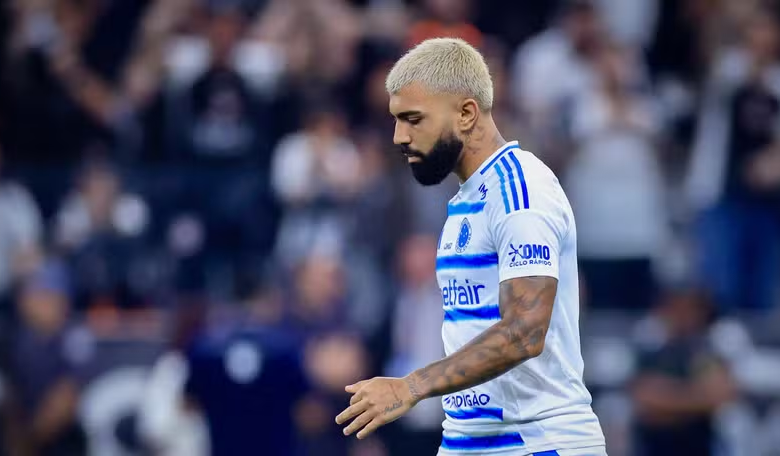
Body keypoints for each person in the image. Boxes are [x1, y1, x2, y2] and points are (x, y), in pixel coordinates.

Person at [335, 38, 606, 455]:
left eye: (413, 119)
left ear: (466, 113)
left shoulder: (520, 191)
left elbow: (525, 333)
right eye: (396, 120)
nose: (399, 136)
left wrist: (412, 386)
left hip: (537, 441)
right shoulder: (467, 199)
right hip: (469, 439)